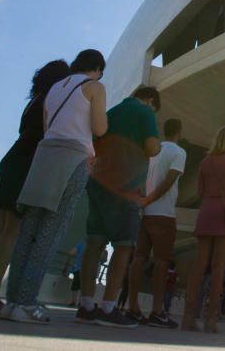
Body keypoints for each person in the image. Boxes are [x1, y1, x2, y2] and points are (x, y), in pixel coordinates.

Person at [2, 49, 107, 325]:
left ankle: (12, 301)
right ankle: (26, 303)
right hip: (73, 157)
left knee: (29, 229)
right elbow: (100, 128)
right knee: (51, 229)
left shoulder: (54, 89)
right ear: (97, 68)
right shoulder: (94, 86)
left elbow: (49, 125)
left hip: (44, 154)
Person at [0, 59, 70, 314]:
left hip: (12, 159)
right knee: (12, 231)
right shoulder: (52, 102)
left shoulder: (33, 101)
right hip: (29, 161)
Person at [74, 85, 161, 327]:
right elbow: (152, 147)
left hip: (99, 181)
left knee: (94, 242)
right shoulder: (145, 112)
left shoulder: (112, 111)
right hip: (127, 185)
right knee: (123, 246)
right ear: (151, 100)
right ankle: (109, 307)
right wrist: (158, 145)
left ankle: (86, 304)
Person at [182, 126, 225, 332]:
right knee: (218, 267)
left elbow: (199, 190)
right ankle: (210, 318)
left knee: (199, 265)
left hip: (207, 210)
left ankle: (188, 316)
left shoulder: (205, 162)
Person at [129, 117, 187, 328]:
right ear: (179, 131)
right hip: (163, 213)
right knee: (162, 263)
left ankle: (132, 307)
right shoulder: (179, 153)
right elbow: (169, 181)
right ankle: (157, 311)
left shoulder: (154, 151)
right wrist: (150, 199)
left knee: (139, 257)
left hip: (146, 213)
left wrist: (143, 201)